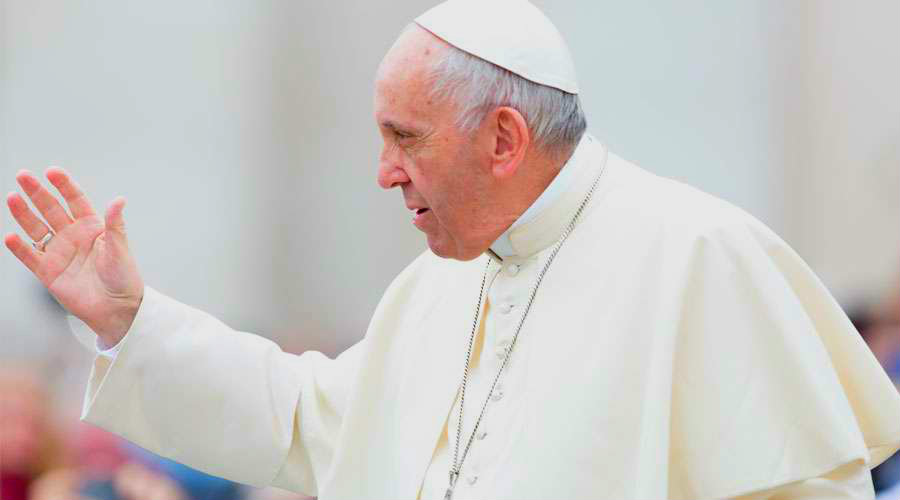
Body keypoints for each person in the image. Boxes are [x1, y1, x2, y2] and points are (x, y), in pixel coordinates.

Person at [5, 1, 900, 498]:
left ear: (503, 139)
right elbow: (306, 423)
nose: (384, 174)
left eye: (405, 138)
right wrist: (130, 319)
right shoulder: (442, 288)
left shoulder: (704, 258)